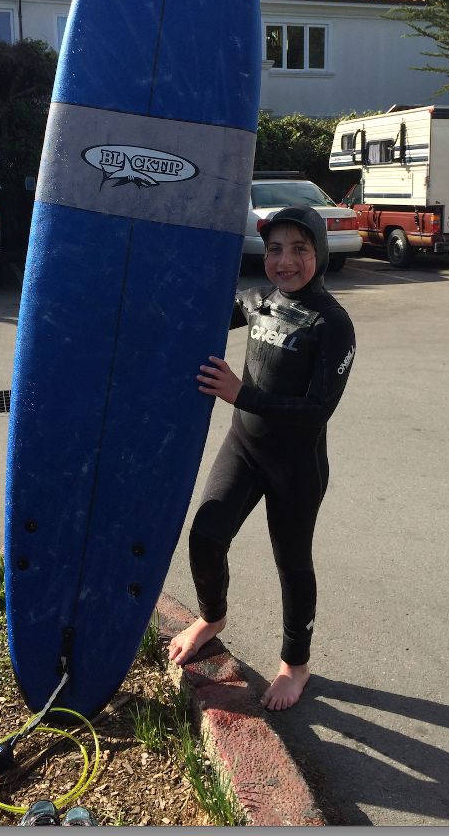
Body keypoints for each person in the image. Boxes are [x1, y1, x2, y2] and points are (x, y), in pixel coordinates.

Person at [168, 205, 356, 711]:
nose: (285, 261)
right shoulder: (254, 302)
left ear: (318, 250)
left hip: (296, 463)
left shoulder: (332, 323)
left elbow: (318, 409)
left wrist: (239, 393)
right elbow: (193, 317)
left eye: (299, 249)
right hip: (245, 448)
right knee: (206, 537)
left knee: (292, 563)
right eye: (275, 249)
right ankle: (213, 615)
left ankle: (296, 664)